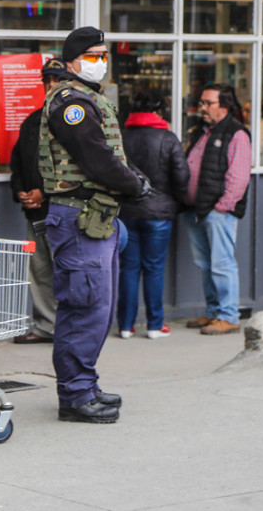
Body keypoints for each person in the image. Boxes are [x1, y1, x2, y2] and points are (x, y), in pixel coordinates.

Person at [38, 26, 149, 424]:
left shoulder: (89, 98)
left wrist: (133, 180)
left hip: (96, 217)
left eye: (104, 54)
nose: (100, 61)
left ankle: (84, 384)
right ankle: (76, 394)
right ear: (70, 61)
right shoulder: (72, 104)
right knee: (84, 308)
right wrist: (135, 184)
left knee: (97, 308)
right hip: (79, 217)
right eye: (93, 54)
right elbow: (96, 158)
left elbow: (111, 154)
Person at [117, 91, 189, 339]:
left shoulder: (122, 136)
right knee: (154, 269)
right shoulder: (168, 138)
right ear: (158, 112)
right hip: (159, 213)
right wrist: (175, 201)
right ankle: (155, 325)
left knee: (128, 269)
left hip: (127, 211)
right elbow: (182, 176)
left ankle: (125, 325)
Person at [182, 83, 251, 335]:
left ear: (224, 106)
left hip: (216, 211)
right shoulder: (203, 132)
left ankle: (229, 315)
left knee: (222, 264)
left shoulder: (237, 134)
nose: (202, 108)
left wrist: (222, 208)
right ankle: (213, 311)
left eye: (208, 103)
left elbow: (239, 177)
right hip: (196, 210)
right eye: (201, 103)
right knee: (205, 263)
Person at [8, 58, 61, 345]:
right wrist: (22, 191)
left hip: (62, 212)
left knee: (65, 273)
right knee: (39, 272)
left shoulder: (73, 120)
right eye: (47, 81)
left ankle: (67, 328)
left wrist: (45, 192)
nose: (50, 85)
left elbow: (74, 168)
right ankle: (45, 326)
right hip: (34, 213)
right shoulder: (31, 122)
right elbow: (18, 163)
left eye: (56, 80)